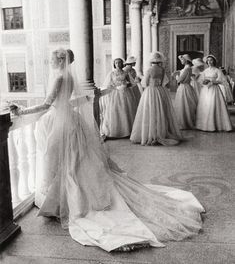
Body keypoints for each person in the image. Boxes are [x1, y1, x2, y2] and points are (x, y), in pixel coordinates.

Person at [10, 48, 205, 252]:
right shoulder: (67, 76)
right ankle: (62, 198)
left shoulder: (59, 78)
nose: (50, 63)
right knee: (75, 162)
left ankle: (65, 200)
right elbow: (63, 102)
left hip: (62, 123)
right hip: (71, 120)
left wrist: (21, 111)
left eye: (51, 60)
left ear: (58, 61)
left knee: (66, 162)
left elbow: (47, 104)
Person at [130, 51, 182, 146]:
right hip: (160, 91)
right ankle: (160, 132)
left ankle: (151, 134)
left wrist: (140, 80)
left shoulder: (149, 70)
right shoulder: (162, 70)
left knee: (150, 111)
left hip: (150, 91)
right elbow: (165, 82)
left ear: (151, 61)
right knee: (160, 111)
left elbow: (144, 83)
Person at [100, 57, 138, 138]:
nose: (118, 64)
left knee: (126, 110)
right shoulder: (111, 73)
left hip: (125, 93)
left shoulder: (126, 73)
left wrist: (126, 85)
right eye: (116, 63)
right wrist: (116, 87)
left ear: (122, 64)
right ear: (114, 64)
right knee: (115, 111)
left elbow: (132, 83)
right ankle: (115, 131)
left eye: (120, 63)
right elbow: (108, 84)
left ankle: (127, 131)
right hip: (115, 94)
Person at [196, 55, 233, 132]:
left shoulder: (217, 70)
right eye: (208, 60)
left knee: (213, 105)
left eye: (211, 60)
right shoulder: (205, 71)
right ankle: (204, 125)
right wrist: (204, 82)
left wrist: (212, 81)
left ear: (214, 61)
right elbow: (200, 80)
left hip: (214, 90)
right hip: (206, 90)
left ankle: (214, 125)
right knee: (206, 106)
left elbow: (222, 80)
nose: (209, 62)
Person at [173, 54, 197, 130]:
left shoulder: (187, 68)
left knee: (183, 105)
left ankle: (184, 123)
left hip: (184, 87)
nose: (181, 61)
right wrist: (179, 72)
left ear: (186, 61)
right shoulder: (187, 68)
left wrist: (176, 76)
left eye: (182, 60)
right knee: (185, 105)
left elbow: (180, 80)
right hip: (186, 86)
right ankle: (186, 121)